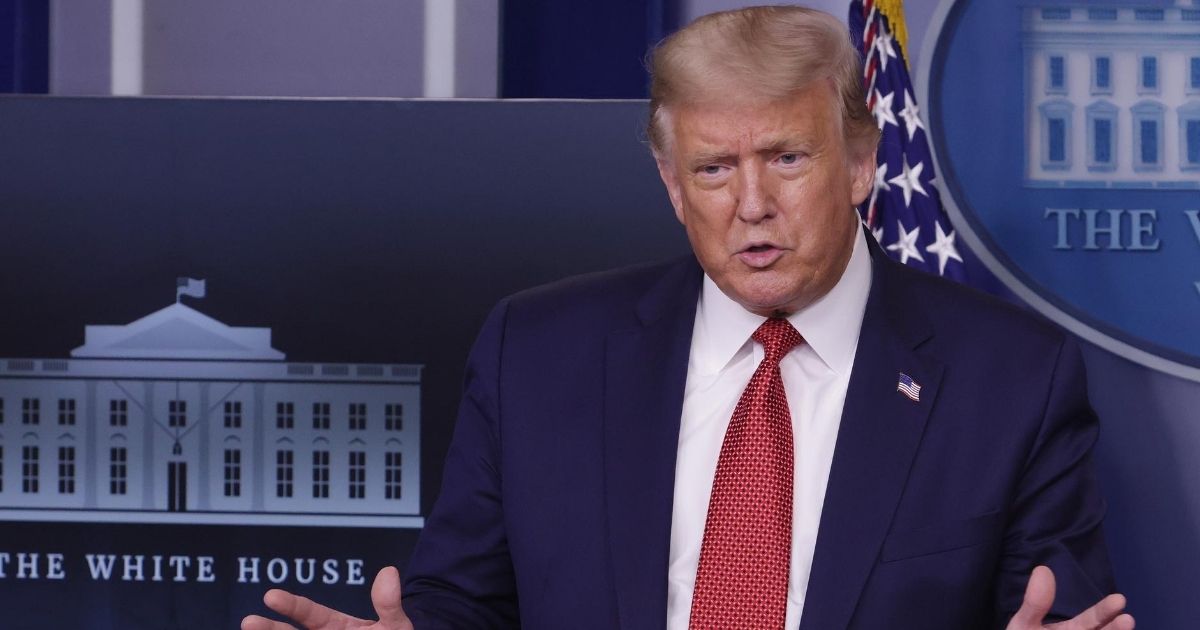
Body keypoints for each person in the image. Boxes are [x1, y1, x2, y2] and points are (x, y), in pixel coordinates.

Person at [243, 6, 1134, 629]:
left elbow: (1052, 611)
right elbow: (464, 603)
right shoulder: (540, 354)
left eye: (786, 158)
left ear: (862, 163)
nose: (752, 205)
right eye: (713, 169)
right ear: (672, 185)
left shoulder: (1010, 378)